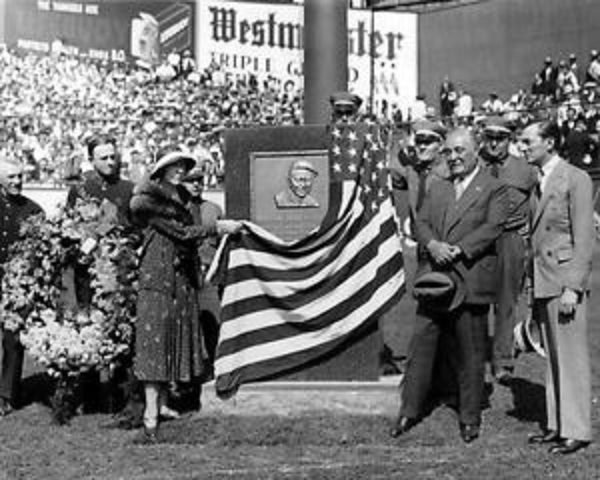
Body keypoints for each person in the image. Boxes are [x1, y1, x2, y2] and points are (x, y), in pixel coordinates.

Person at [390, 127, 508, 443]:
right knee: (421, 347)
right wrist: (433, 246)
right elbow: (421, 223)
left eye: (460, 151)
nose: (453, 157)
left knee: (471, 352)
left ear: (475, 152)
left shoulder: (493, 187)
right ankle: (409, 411)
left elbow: (493, 226)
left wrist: (457, 250)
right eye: (450, 152)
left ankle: (469, 418)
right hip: (435, 280)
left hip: (469, 279)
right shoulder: (437, 186)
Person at [130, 145, 242, 444]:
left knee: (170, 337)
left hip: (179, 277)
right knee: (154, 344)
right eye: (175, 165)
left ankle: (164, 404)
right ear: (161, 169)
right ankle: (150, 415)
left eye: (183, 165)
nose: (181, 169)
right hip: (157, 277)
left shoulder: (181, 198)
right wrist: (217, 228)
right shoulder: (149, 200)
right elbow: (181, 233)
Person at [519, 121, 594, 455]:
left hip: (563, 282)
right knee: (552, 358)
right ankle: (556, 424)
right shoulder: (539, 181)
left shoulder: (576, 178)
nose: (522, 148)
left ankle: (577, 429)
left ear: (549, 143)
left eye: (528, 142)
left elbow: (584, 238)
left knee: (572, 358)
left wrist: (572, 288)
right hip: (543, 279)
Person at [66, 133, 139, 419]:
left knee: (121, 329)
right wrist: (84, 243)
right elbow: (70, 229)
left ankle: (121, 397)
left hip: (120, 272)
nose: (111, 162)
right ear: (92, 160)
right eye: (104, 157)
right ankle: (90, 395)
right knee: (89, 330)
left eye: (113, 156)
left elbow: (137, 228)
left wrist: (118, 243)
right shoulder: (82, 189)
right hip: (88, 273)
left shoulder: (129, 189)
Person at [479, 116, 537, 384]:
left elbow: (538, 204)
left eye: (500, 138)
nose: (493, 144)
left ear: (509, 140)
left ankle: (502, 359)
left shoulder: (524, 169)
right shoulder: (473, 164)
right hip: (476, 240)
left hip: (509, 238)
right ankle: (473, 355)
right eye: (489, 137)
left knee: (505, 301)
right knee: (473, 299)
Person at [0, 158, 44, 415]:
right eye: (11, 177)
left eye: (20, 177)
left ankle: (6, 394)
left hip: (18, 285)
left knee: (12, 340)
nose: (17, 182)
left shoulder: (33, 210)